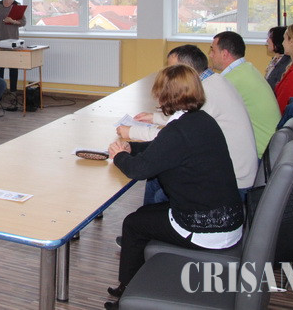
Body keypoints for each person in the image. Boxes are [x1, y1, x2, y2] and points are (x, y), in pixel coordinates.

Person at [104, 65, 243, 309]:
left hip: (205, 229)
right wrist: (132, 148)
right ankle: (136, 283)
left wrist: (119, 156)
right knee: (144, 215)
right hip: (227, 218)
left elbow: (139, 170)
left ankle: (127, 293)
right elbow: (163, 149)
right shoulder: (202, 121)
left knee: (133, 224)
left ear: (163, 96)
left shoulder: (178, 131)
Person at [119, 45, 258, 203]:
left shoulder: (208, 93)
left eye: (172, 69)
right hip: (228, 170)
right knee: (157, 176)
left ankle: (150, 215)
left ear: (185, 72)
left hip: (233, 183)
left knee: (158, 180)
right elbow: (183, 121)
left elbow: (173, 137)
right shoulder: (213, 82)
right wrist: (155, 118)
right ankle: (148, 213)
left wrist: (132, 132)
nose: (169, 73)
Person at [210, 31, 280, 157]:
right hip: (271, 147)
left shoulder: (231, 80)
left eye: (213, 51)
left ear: (224, 54)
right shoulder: (247, 69)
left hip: (260, 154)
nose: (210, 55)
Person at [264, 26, 291, 90]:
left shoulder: (285, 64)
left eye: (270, 37)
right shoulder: (277, 59)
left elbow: (272, 87)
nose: (267, 40)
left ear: (278, 41)